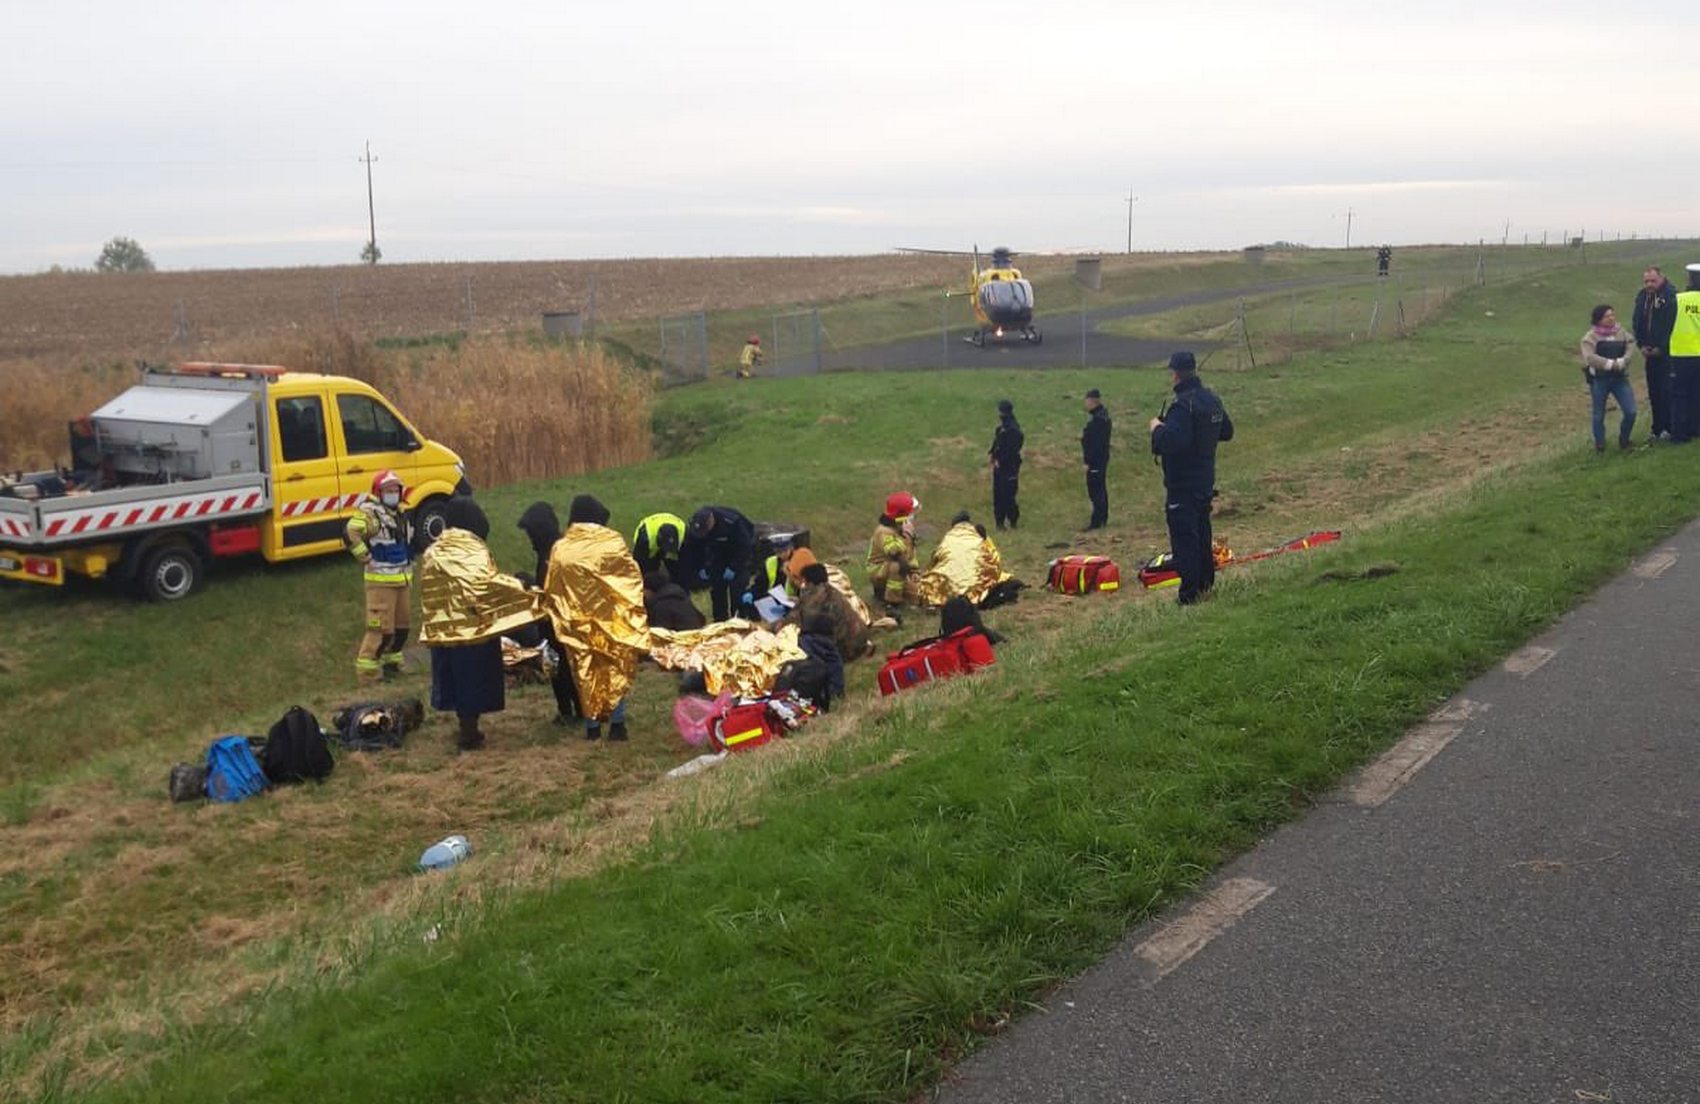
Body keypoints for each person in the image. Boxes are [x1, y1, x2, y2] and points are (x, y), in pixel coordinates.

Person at [420, 497, 539, 751]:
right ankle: (469, 732)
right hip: (473, 630)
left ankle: (466, 726)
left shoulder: (432, 552)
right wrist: (522, 589)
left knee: (455, 681)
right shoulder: (473, 551)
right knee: (472, 681)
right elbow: (485, 586)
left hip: (442, 631)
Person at [544, 494, 650, 742]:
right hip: (611, 620)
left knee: (585, 672)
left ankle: (592, 727)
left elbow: (552, 587)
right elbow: (631, 577)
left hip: (577, 624)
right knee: (614, 668)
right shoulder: (613, 543)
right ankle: (617, 724)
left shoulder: (561, 548)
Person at [1149, 351, 1234, 605]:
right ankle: (1206, 585)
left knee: (1185, 540)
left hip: (1182, 484)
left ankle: (1189, 595)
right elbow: (1227, 431)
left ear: (1175, 374)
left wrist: (1157, 428)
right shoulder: (1211, 399)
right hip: (1204, 479)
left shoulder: (1182, 406)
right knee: (1202, 533)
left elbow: (1171, 442)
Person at [344, 469, 414, 685]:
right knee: (380, 630)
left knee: (402, 628)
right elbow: (350, 532)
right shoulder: (370, 514)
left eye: (396, 489)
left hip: (401, 579)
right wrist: (364, 556)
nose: (393, 493)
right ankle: (368, 675)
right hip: (380, 582)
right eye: (388, 490)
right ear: (378, 492)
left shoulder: (399, 514)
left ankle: (392, 665)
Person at [782, 561, 871, 659]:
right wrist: (800, 601)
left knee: (802, 640)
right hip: (860, 640)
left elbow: (796, 623)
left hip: (847, 649)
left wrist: (773, 627)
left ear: (809, 582)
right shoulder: (829, 590)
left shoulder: (814, 599)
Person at [682, 505, 756, 622]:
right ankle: (720, 621)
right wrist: (702, 567)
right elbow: (695, 548)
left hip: (736, 554)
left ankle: (739, 619)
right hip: (716, 556)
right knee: (717, 590)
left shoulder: (731, 522)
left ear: (711, 520)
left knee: (737, 589)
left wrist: (734, 567)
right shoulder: (698, 526)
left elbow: (745, 547)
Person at [1580, 304, 1638, 453]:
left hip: (1620, 379)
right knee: (1598, 414)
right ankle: (1600, 445)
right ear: (1598, 319)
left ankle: (1624, 440)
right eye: (1607, 316)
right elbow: (1590, 357)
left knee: (1630, 411)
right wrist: (1610, 364)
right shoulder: (1590, 337)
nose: (1611, 318)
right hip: (1600, 380)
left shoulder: (1621, 332)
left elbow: (1630, 344)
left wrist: (1624, 360)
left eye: (1612, 314)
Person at [1635, 267, 1681, 442]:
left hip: (1667, 354)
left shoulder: (1671, 297)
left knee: (1666, 391)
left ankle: (1669, 428)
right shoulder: (1642, 297)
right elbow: (1637, 321)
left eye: (1653, 281)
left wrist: (1662, 347)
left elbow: (1671, 326)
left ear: (1661, 278)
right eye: (1646, 281)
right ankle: (1657, 428)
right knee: (1653, 392)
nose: (1649, 285)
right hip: (1649, 352)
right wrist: (1641, 344)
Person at [866, 491, 921, 615]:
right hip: (879, 569)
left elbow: (910, 555)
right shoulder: (883, 531)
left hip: (897, 569)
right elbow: (894, 551)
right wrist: (907, 536)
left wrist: (914, 572)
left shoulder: (900, 529)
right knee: (896, 567)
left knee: (920, 594)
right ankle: (892, 602)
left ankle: (899, 592)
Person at [1667, 264, 1700, 443]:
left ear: (1690, 279)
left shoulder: (1678, 299)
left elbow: (1666, 324)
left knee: (1679, 395)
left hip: (1680, 353)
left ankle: (1679, 434)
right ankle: (1695, 428)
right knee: (1697, 393)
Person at [988, 398, 1024, 530]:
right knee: (998, 495)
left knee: (1008, 495)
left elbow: (1012, 449)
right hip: (1000, 467)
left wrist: (1000, 460)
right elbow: (997, 444)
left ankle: (1012, 520)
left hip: (1009, 467)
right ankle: (1000, 522)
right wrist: (992, 454)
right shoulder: (1002, 428)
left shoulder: (1013, 430)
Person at [1081, 389, 1112, 530]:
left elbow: (1094, 444)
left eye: (1086, 401)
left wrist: (1088, 461)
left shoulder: (1097, 421)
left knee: (1096, 490)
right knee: (1100, 489)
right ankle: (1102, 518)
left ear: (1093, 401)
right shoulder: (1103, 417)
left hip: (1096, 461)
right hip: (1101, 459)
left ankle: (1097, 521)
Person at [631, 511, 688, 586]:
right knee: (644, 567)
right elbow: (638, 563)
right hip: (646, 536)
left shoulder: (684, 532)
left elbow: (687, 557)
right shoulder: (645, 538)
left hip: (669, 527)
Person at [516, 501, 561, 586]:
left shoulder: (553, 557)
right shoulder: (547, 551)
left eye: (532, 536)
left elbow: (547, 594)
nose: (532, 541)